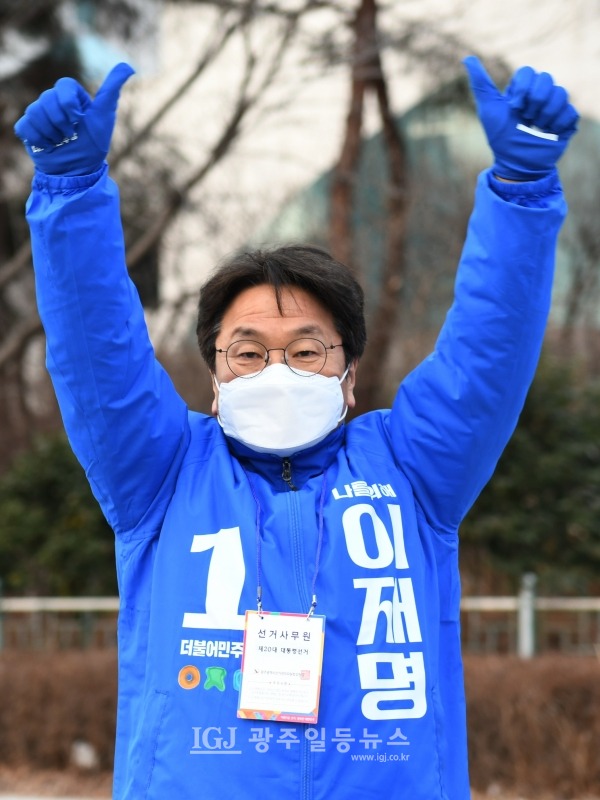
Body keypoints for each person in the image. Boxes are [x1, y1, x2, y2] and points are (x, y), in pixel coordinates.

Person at [15, 55, 577, 800]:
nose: (276, 368)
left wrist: (521, 194)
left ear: (348, 376)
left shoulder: (412, 469)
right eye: (247, 352)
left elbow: (488, 351)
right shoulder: (162, 474)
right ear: (213, 378)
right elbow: (95, 349)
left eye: (306, 350)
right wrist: (71, 192)